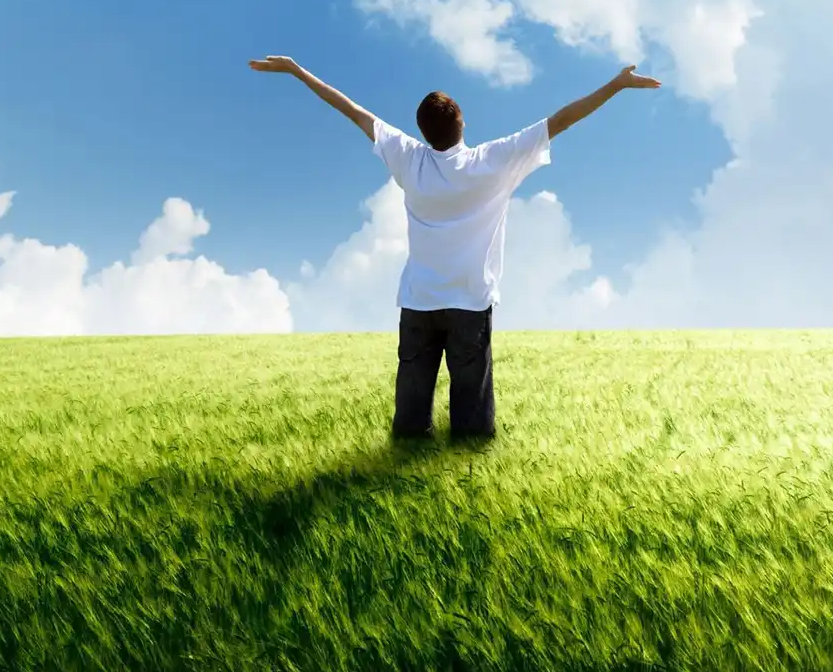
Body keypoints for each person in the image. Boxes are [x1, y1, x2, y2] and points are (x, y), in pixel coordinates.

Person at [247, 54, 661, 441]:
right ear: (462, 123)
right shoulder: (492, 161)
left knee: (409, 419)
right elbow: (562, 121)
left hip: (419, 301)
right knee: (472, 423)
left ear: (422, 132)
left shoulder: (408, 159)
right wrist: (617, 84)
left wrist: (296, 71)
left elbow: (352, 110)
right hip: (470, 302)